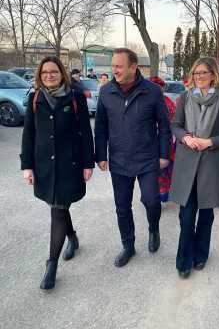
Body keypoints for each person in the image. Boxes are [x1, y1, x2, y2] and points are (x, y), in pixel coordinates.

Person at [20, 56, 94, 290]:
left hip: (69, 165)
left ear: (62, 73)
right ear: (40, 77)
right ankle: (71, 237)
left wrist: (88, 163)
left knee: (58, 210)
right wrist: (27, 166)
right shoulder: (35, 98)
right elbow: (28, 134)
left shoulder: (76, 98)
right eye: (44, 73)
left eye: (53, 72)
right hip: (45, 166)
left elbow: (85, 131)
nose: (49, 76)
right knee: (58, 207)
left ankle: (51, 265)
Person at [94, 48, 171, 268]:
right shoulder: (106, 91)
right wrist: (101, 155)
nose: (114, 70)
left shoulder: (153, 91)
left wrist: (164, 154)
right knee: (122, 206)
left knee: (151, 200)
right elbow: (100, 127)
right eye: (113, 66)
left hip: (147, 158)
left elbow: (164, 126)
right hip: (119, 159)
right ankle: (128, 245)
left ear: (133, 67)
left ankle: (153, 229)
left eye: (119, 66)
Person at [170, 57, 219, 278]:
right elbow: (175, 125)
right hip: (187, 162)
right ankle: (183, 261)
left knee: (206, 215)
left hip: (211, 164)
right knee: (186, 216)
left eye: (203, 73)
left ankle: (201, 255)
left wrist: (210, 142)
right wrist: (185, 137)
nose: (198, 77)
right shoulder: (184, 98)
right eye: (195, 73)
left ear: (213, 75)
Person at [148, 76, 176, 202]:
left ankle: (162, 194)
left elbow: (174, 120)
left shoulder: (168, 101)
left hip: (166, 140)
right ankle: (154, 195)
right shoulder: (145, 101)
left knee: (164, 169)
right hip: (149, 141)